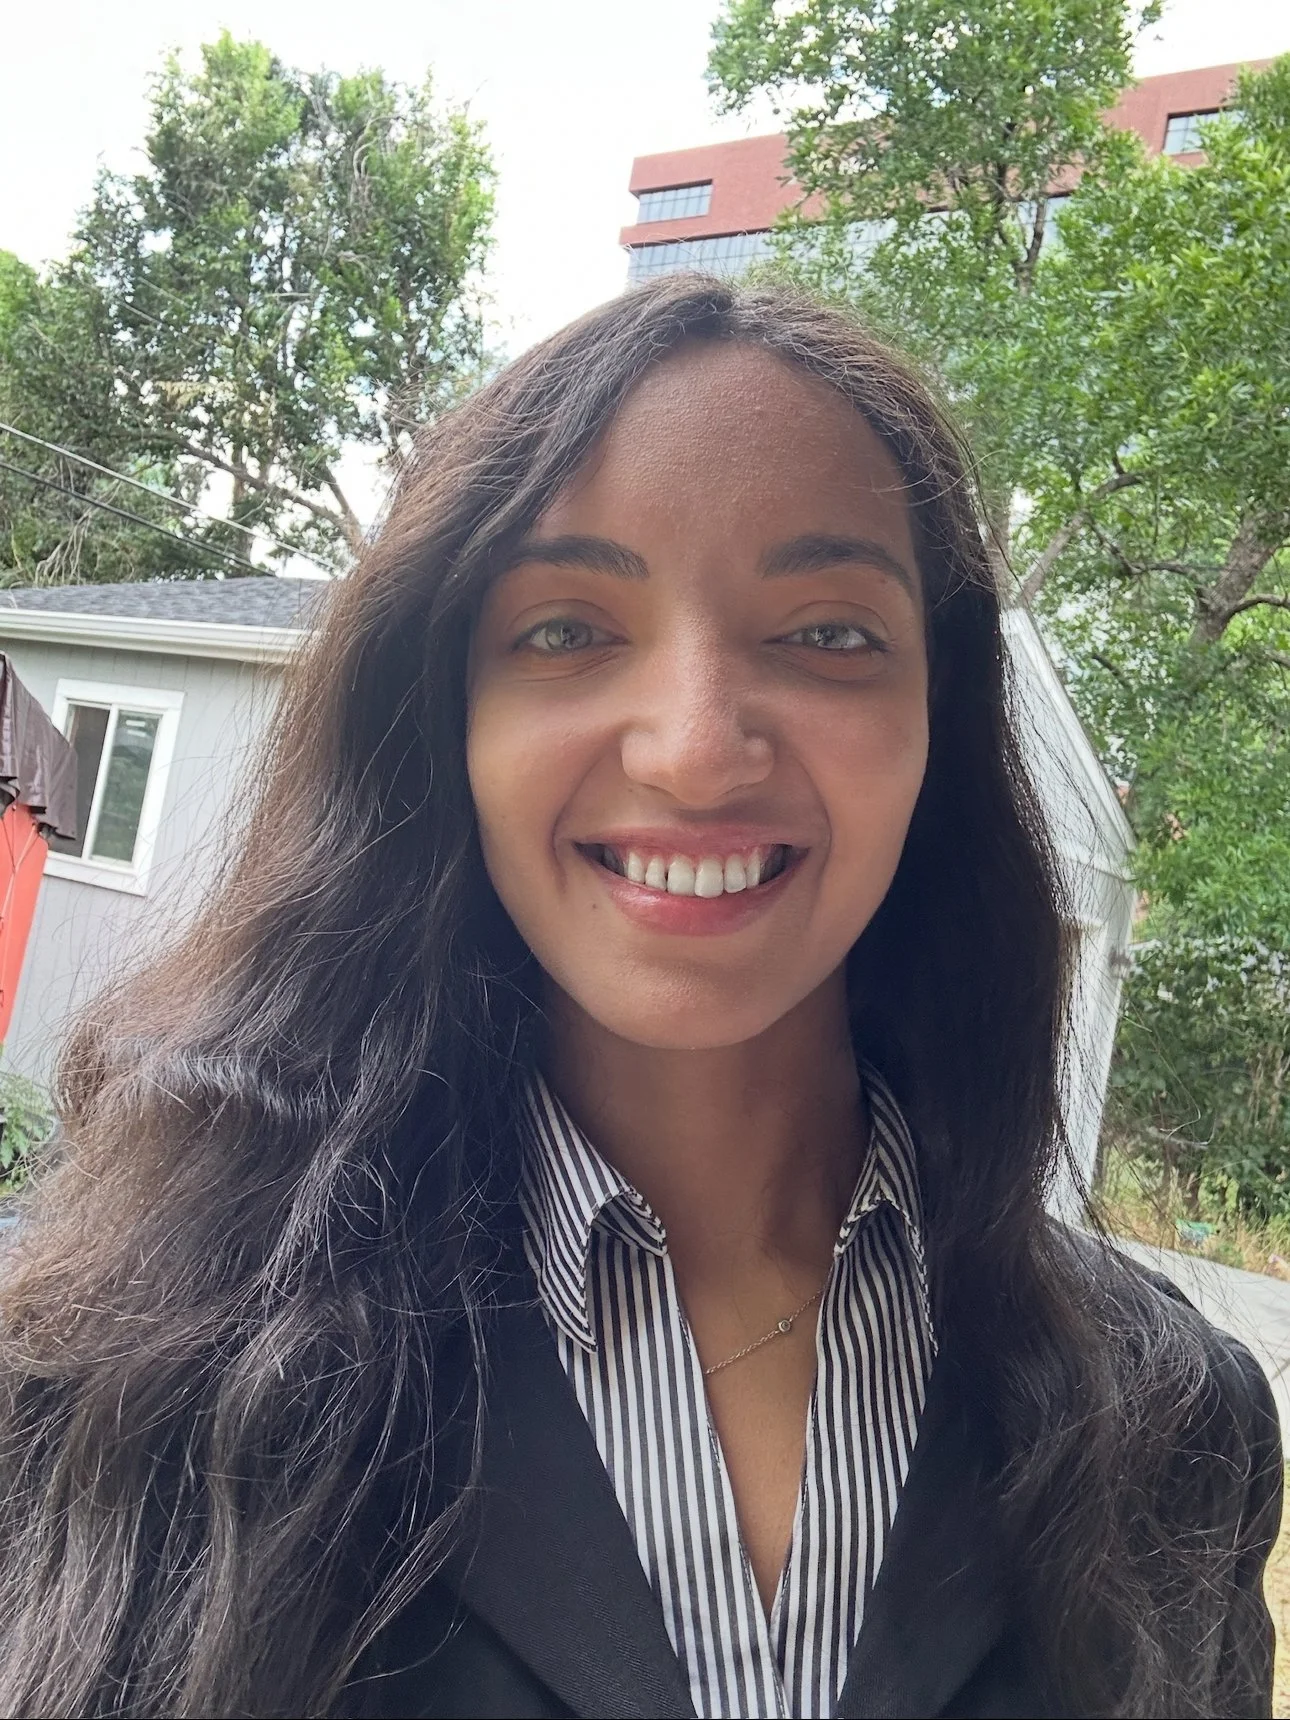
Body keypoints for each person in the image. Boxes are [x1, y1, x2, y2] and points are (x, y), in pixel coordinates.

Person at [0, 277, 1279, 1720]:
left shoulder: (1177, 1432)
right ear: (443, 720)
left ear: (937, 719)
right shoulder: (101, 1371)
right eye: (564, 629)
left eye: (825, 633)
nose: (692, 751)